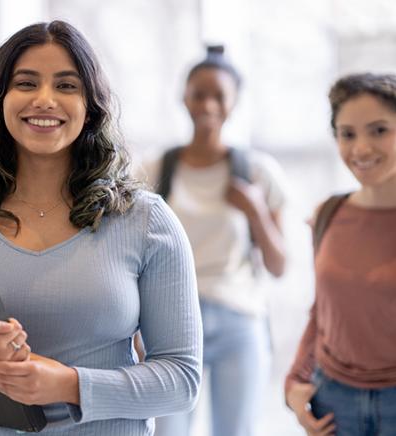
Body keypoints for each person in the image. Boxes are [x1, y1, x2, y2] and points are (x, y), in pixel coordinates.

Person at [0, 20, 202, 436]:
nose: (45, 100)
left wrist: (69, 385)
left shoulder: (146, 221)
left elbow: (182, 381)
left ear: (91, 105)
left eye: (66, 86)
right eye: (26, 83)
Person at [141, 46, 287, 436]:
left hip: (240, 318)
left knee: (235, 430)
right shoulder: (154, 170)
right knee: (167, 430)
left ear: (234, 102)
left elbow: (278, 265)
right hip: (169, 319)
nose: (207, 104)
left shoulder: (258, 172)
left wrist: (255, 210)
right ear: (183, 98)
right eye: (198, 93)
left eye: (218, 95)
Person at [285, 73, 396, 436]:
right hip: (333, 402)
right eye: (347, 134)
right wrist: (294, 383)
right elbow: (323, 311)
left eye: (379, 130)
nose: (361, 149)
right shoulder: (328, 214)